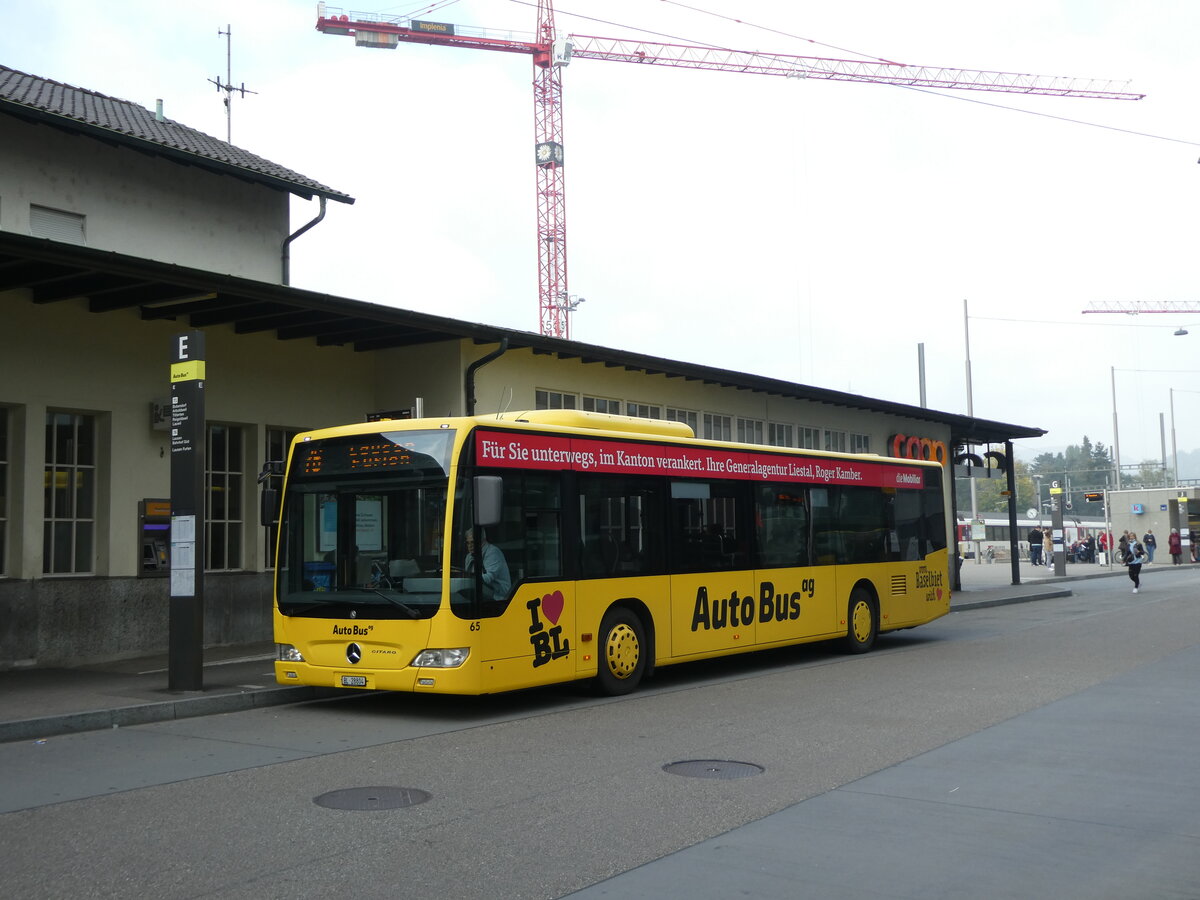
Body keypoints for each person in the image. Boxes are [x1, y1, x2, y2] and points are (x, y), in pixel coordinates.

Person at [464, 528, 512, 601]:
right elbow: (468, 575)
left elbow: (488, 577)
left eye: (472, 542)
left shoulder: (493, 552)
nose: (470, 546)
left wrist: (469, 581)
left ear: (482, 541)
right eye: (468, 543)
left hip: (499, 598)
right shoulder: (469, 557)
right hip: (479, 596)